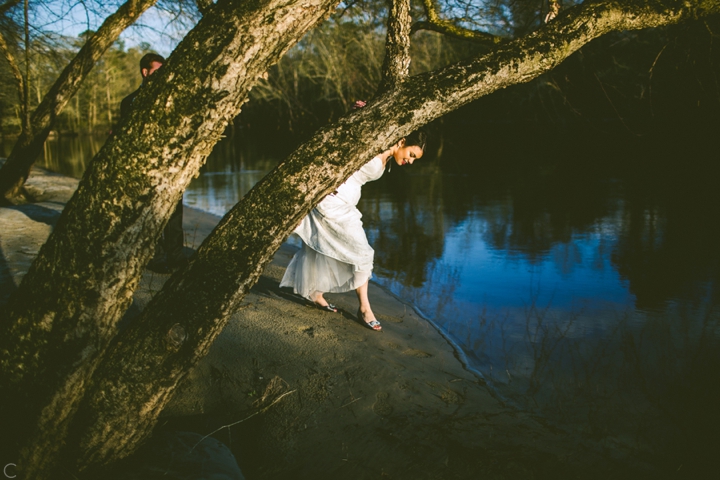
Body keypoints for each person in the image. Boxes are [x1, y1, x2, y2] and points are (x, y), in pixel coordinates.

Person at [280, 129, 427, 331]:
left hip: (346, 206)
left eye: (415, 159)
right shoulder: (375, 145)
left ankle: (315, 294)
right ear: (402, 142)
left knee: (321, 247)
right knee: (363, 254)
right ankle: (365, 309)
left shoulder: (387, 156)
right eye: (412, 155)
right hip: (332, 201)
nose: (411, 161)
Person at [120, 53, 186, 273]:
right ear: (145, 72)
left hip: (172, 166)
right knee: (150, 214)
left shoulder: (174, 99)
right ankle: (156, 259)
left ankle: (176, 256)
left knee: (175, 216)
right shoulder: (129, 102)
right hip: (146, 169)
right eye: (157, 71)